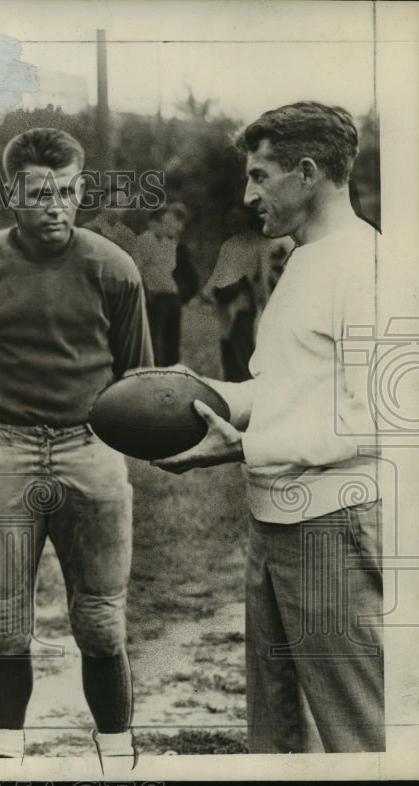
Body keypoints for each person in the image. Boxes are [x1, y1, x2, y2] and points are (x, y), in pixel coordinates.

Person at [155, 101, 384, 753]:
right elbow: (284, 391)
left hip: (334, 530)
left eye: (259, 175)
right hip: (277, 525)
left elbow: (375, 420)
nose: (247, 193)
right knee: (279, 739)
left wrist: (244, 447)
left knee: (358, 738)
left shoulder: (368, 266)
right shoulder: (303, 260)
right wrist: (198, 395)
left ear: (307, 172)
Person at [0, 128, 152, 770]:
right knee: (6, 630)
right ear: (11, 193)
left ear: (81, 188)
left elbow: (136, 377)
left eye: (67, 191)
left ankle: (118, 757)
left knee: (100, 622)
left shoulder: (112, 266)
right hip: (3, 449)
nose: (55, 205)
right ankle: (8, 761)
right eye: (39, 193)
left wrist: (94, 433)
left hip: (90, 446)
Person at [203, 205, 293, 381]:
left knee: (243, 348)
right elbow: (220, 278)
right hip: (234, 303)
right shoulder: (233, 245)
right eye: (232, 221)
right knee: (235, 348)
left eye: (239, 221)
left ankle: (245, 384)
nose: (235, 225)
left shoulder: (257, 243)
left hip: (245, 303)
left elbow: (262, 276)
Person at [133, 202, 195, 366]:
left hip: (171, 296)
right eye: (165, 222)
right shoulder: (144, 240)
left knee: (172, 340)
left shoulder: (170, 244)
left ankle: (170, 372)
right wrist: (144, 294)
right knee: (155, 340)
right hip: (154, 297)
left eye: (171, 222)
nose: (170, 227)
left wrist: (179, 294)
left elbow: (172, 270)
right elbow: (137, 269)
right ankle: (155, 373)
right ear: (153, 223)